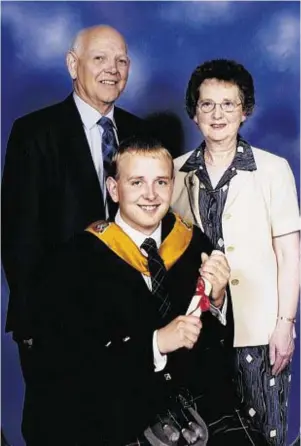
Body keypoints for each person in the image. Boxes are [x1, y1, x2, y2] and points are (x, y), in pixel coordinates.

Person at [27, 135, 268, 445]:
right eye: (137, 183)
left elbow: (214, 344)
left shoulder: (191, 242)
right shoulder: (74, 263)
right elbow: (70, 365)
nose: (151, 195)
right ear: (114, 189)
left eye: (161, 183)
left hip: (201, 407)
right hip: (121, 415)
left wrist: (218, 297)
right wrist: (156, 343)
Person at [1, 24, 147, 441]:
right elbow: (18, 238)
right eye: (99, 58)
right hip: (56, 327)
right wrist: (37, 327)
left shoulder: (141, 135)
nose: (112, 69)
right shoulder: (34, 133)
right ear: (73, 64)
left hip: (130, 327)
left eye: (121, 60)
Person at [171, 59, 300, 445]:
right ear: (194, 112)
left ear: (245, 111)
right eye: (207, 104)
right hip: (196, 334)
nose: (217, 114)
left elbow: (290, 253)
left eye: (229, 104)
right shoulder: (175, 173)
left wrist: (285, 323)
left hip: (259, 331)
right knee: (206, 433)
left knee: (264, 433)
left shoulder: (273, 170)